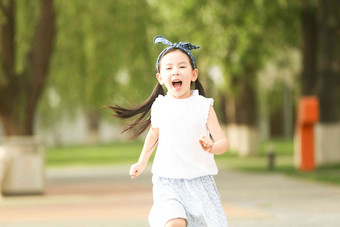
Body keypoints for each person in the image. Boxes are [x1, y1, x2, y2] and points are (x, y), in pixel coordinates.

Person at [108, 35, 229, 227]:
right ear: (160, 77)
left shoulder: (203, 106)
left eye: (182, 67)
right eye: (169, 68)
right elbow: (154, 135)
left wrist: (213, 147)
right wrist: (142, 161)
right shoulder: (160, 106)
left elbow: (224, 142)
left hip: (199, 183)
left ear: (194, 74)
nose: (176, 72)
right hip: (168, 182)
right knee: (174, 223)